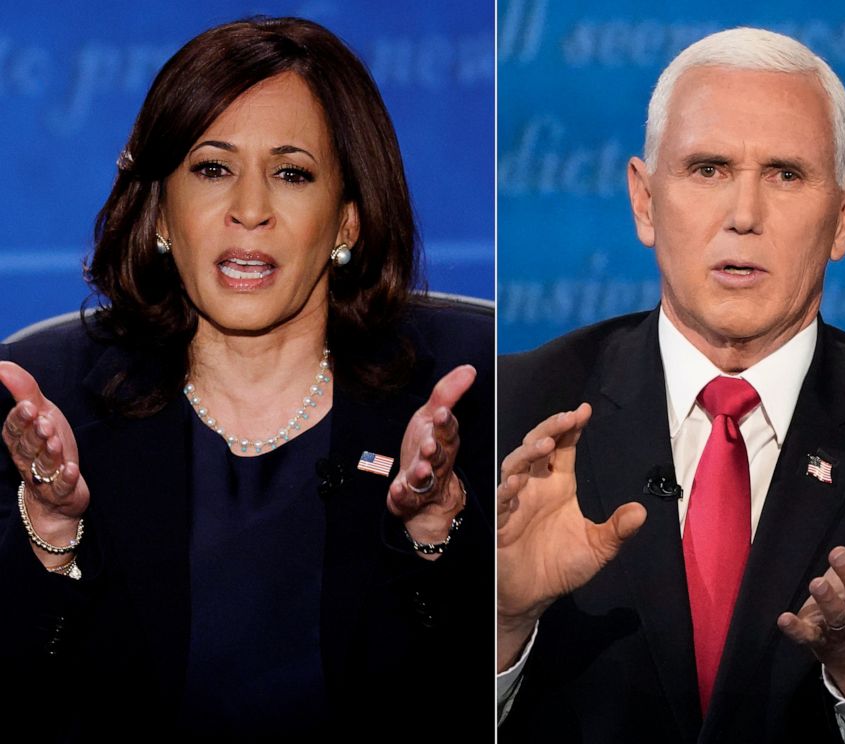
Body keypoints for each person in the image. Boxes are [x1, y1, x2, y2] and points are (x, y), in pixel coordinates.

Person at [0, 17, 492, 739]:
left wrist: (432, 533)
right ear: (161, 211)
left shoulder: (462, 392)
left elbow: (499, 696)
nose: (250, 211)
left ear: (347, 223)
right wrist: (51, 534)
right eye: (212, 169)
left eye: (291, 174)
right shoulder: (49, 397)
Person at [497, 27, 845, 743]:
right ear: (643, 200)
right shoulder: (513, 415)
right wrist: (503, 622)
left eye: (786, 174)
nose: (744, 216)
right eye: (708, 169)